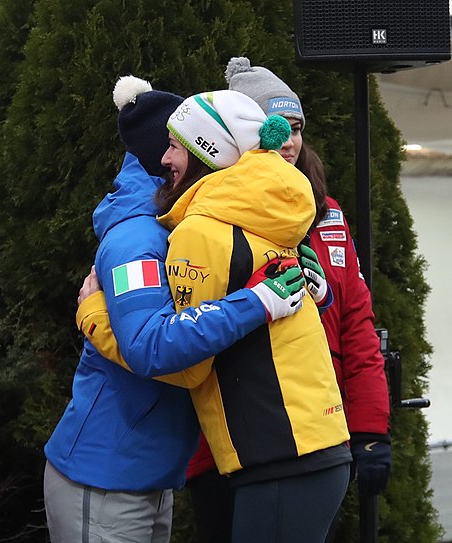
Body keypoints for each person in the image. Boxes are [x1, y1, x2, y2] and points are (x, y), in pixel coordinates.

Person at [79, 87, 352, 543]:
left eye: (175, 145)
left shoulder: (201, 231)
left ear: (207, 152)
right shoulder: (265, 212)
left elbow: (181, 362)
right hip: (313, 446)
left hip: (278, 457)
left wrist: (95, 317)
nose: (162, 160)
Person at [184, 57, 393, 543]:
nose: (291, 140)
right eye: (276, 126)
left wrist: (369, 427)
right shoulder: (209, 217)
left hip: (321, 439)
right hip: (236, 442)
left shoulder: (327, 214)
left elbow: (357, 325)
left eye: (297, 127)